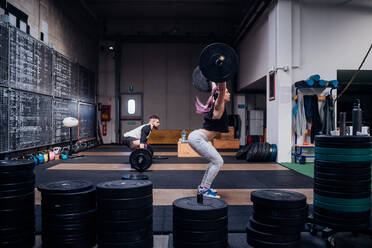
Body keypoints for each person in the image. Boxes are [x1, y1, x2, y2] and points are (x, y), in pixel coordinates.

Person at [188, 82, 230, 198]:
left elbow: (214, 88)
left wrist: (212, 77)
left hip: (201, 138)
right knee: (218, 161)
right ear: (221, 94)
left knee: (214, 161)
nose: (228, 93)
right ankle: (205, 189)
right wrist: (222, 77)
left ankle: (203, 186)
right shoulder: (218, 105)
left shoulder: (217, 104)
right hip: (198, 138)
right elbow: (221, 89)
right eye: (227, 92)